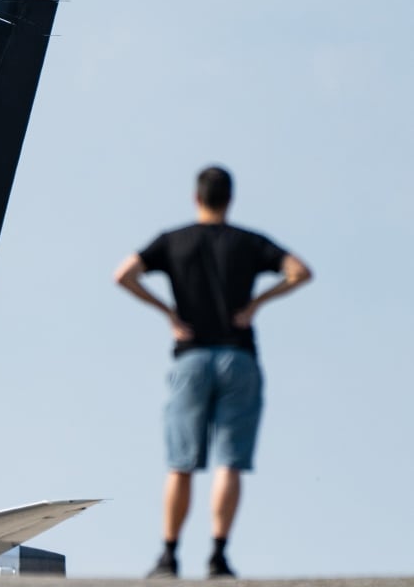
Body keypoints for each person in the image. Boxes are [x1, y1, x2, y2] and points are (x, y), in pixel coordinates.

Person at [113, 166, 312, 578]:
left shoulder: (174, 240)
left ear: (195, 198)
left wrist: (167, 311)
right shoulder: (249, 242)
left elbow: (124, 274)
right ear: (230, 199)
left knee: (181, 463)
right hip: (238, 357)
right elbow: (299, 271)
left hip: (190, 357)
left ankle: (169, 556)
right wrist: (258, 303)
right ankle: (218, 555)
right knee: (230, 462)